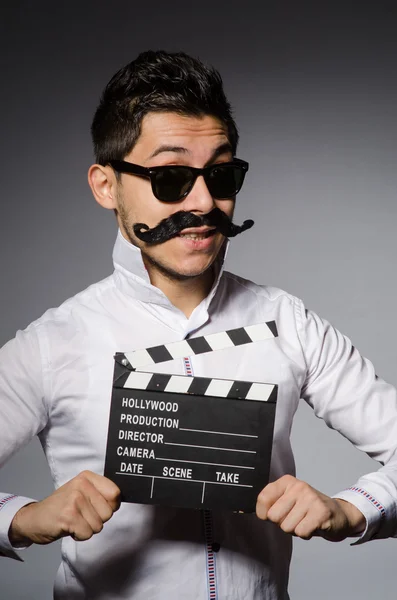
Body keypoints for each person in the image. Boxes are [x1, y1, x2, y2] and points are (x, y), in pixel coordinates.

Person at [0, 49, 396, 600]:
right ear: (105, 186)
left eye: (221, 174)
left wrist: (352, 510)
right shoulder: (53, 343)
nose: (205, 201)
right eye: (170, 178)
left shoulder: (288, 323)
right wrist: (23, 519)